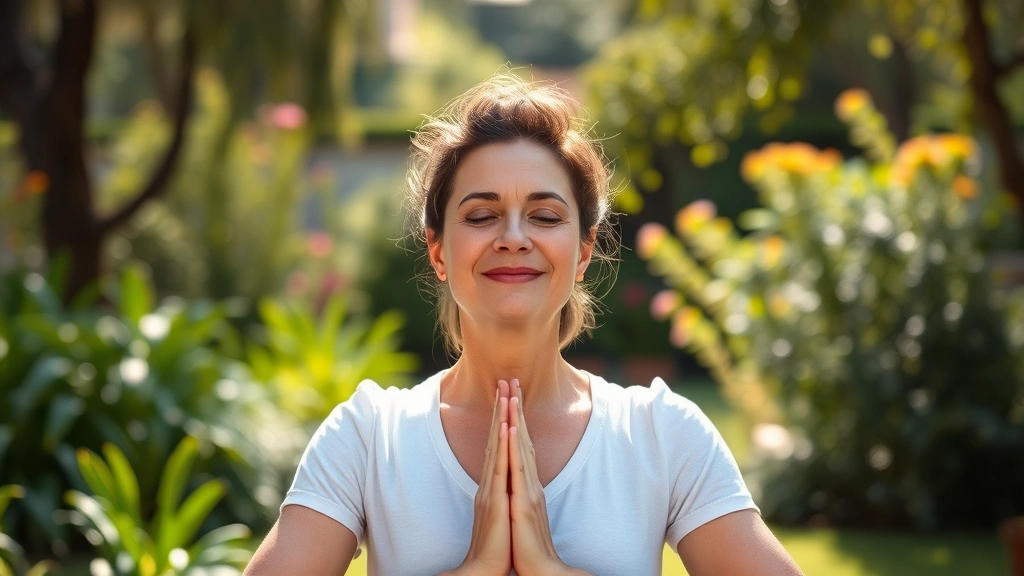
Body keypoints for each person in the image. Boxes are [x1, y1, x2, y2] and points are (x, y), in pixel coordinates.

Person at [244, 75, 803, 576]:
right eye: (482, 215)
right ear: (438, 251)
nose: (513, 237)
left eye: (545, 216)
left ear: (583, 250)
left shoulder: (661, 433)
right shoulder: (368, 437)